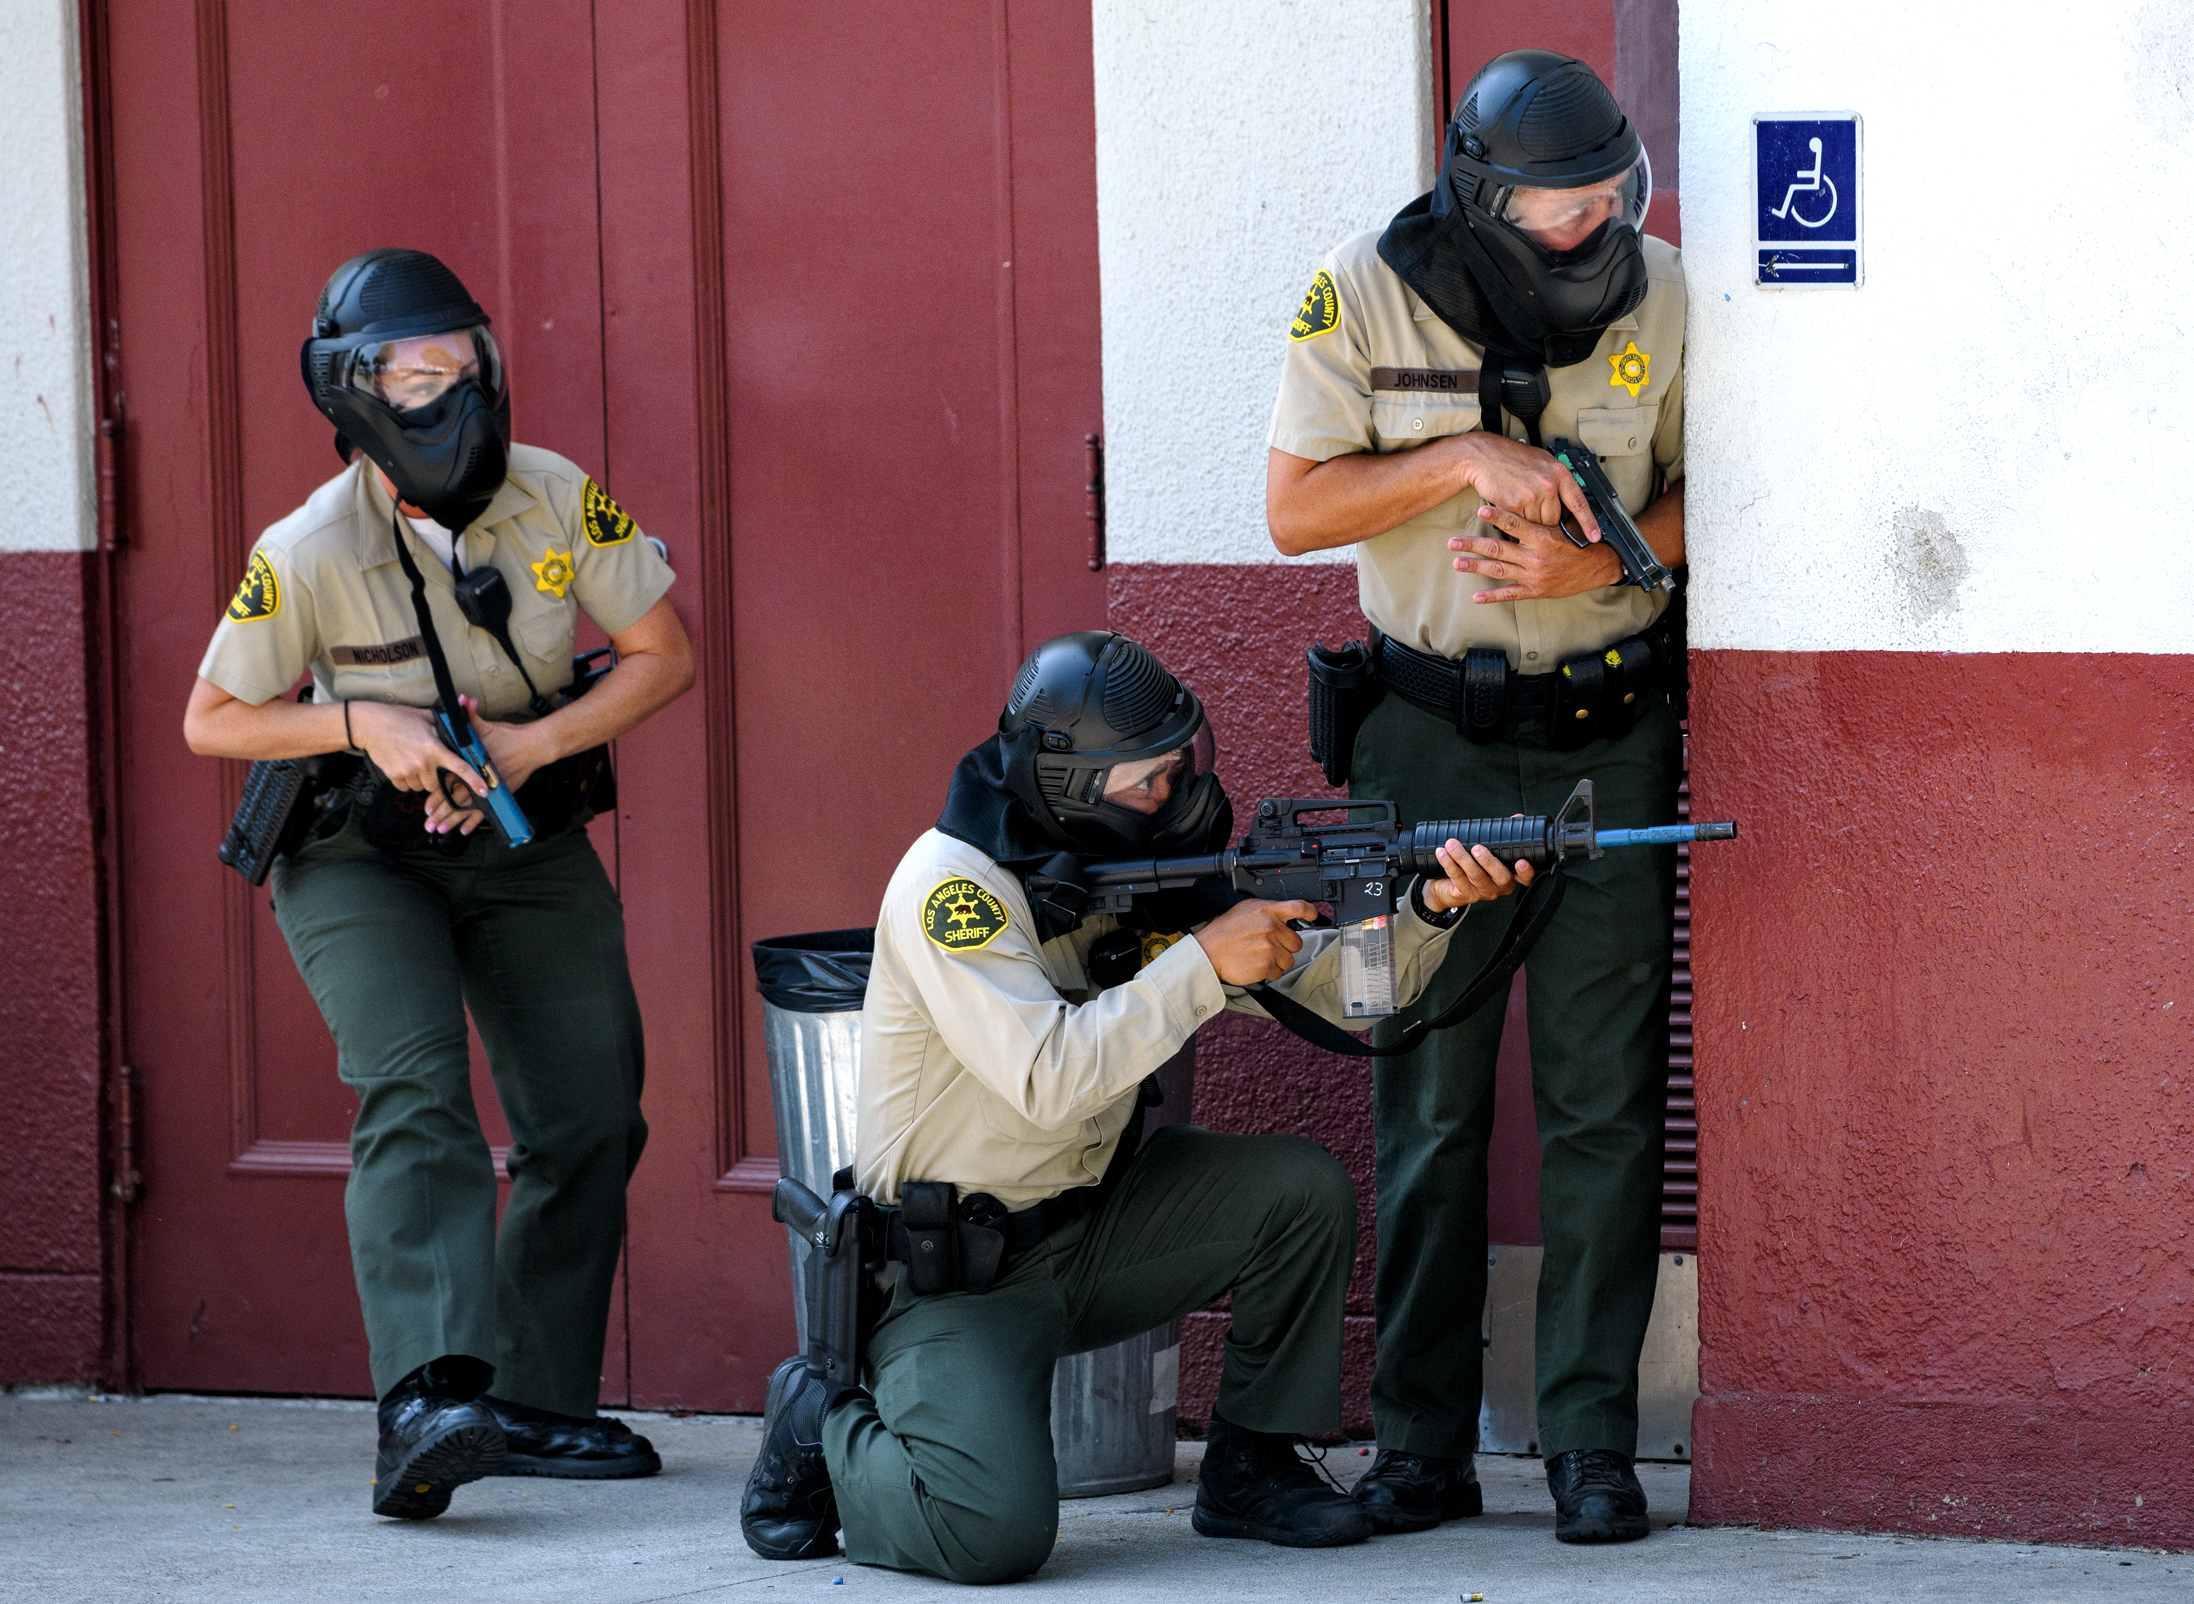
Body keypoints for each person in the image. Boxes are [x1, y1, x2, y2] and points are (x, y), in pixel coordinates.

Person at [738, 631, 1534, 1581]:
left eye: (1179, 766)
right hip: (957, 1273)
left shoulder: (1130, 861)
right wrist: (1205, 963)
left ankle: (1251, 1466)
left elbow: (1349, 995)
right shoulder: (956, 893)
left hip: (1098, 1230)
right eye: (1150, 779)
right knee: (987, 1536)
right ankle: (822, 1419)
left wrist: (1431, 910)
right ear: (1073, 783)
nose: (1176, 796)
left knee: (1298, 1191)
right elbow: (1051, 1080)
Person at [183, 248, 694, 1519]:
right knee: (415, 1085)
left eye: (466, 361)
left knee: (591, 1110)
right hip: (360, 852)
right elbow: (213, 718)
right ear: (355, 393)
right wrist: (360, 722)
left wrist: (533, 741)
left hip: (521, 832)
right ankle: (426, 1402)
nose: (452, 390)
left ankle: (531, 1401)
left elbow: (659, 653)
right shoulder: (305, 547)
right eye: (419, 374)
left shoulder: (558, 495)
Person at [1263, 50, 1689, 1545]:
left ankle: (1589, 1441)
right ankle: (1425, 1446)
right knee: (1428, 1098)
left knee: (1603, 1102)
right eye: (1555, 214)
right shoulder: (1364, 292)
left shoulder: (1670, 296)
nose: (1587, 235)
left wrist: (1611, 558)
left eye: (1605, 206)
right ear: (1483, 194)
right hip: (1428, 740)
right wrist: (1457, 455)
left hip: (1607, 734)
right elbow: (1296, 505)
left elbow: (1725, 502)